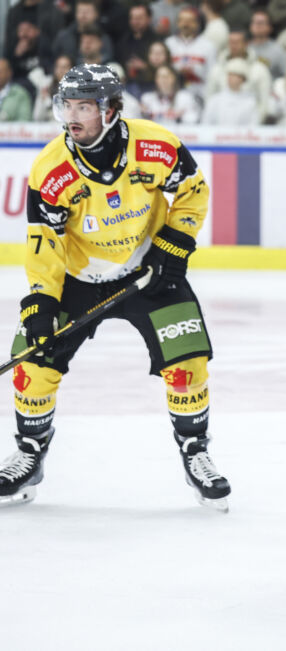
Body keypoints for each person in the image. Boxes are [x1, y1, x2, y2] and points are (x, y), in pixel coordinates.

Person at [0, 64, 229, 509]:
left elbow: (193, 191)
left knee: (187, 360)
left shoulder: (155, 145)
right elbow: (44, 242)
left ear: (110, 110)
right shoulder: (51, 168)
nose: (72, 117)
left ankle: (195, 451)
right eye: (67, 106)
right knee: (33, 358)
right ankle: (29, 452)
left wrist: (173, 245)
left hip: (148, 273)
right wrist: (41, 301)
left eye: (83, 107)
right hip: (77, 279)